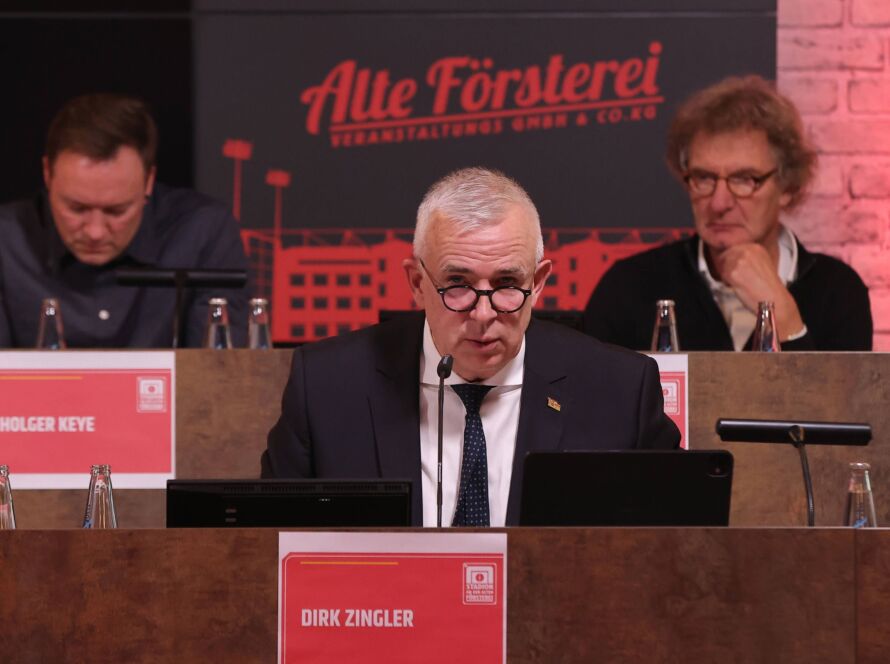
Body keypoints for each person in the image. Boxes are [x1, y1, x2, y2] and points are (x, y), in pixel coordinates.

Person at [262, 167, 679, 527]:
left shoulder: (619, 390)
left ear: (538, 282)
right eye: (458, 284)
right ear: (417, 283)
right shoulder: (326, 387)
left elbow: (671, 549)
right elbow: (270, 548)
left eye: (506, 283)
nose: (483, 314)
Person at [584, 75, 872, 351]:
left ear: (787, 186)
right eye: (704, 178)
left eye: (744, 179)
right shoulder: (631, 285)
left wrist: (782, 315)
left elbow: (839, 389)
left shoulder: (837, 291)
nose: (719, 203)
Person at [0, 93, 248, 348]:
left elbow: (219, 369)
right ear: (47, 174)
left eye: (116, 211)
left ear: (148, 181)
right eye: (77, 208)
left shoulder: (202, 231)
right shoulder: (7, 240)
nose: (95, 232)